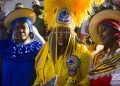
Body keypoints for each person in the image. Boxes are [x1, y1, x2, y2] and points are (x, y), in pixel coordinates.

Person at [33, 0, 104, 86]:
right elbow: (38, 77)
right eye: (58, 31)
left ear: (72, 33)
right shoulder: (45, 49)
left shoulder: (81, 51)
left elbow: (88, 78)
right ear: (53, 32)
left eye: (65, 31)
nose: (61, 35)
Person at [0, 8, 42, 86]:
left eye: (23, 27)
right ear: (14, 30)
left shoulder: (37, 49)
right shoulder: (4, 46)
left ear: (30, 30)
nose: (20, 30)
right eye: (17, 28)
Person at [88, 9, 120, 86]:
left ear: (115, 29)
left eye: (103, 30)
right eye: (99, 33)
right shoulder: (98, 57)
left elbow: (116, 83)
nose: (100, 35)